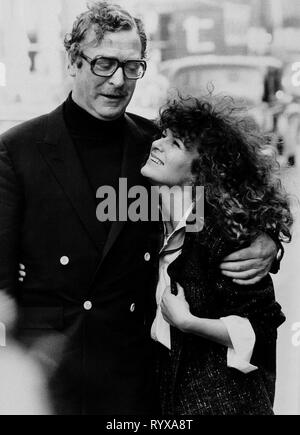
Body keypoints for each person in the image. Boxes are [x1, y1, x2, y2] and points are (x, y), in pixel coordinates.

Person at [0, 2, 280, 415]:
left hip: (138, 374)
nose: (118, 81)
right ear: (74, 63)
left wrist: (267, 242)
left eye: (132, 66)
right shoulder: (17, 150)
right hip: (52, 372)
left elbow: (221, 210)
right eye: (104, 64)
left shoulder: (157, 150)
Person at [141, 95, 293, 415]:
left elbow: (261, 330)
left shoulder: (224, 234)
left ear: (200, 172)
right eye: (163, 135)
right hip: (170, 396)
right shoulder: (148, 213)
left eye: (175, 143)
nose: (157, 144)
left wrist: (188, 322)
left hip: (223, 402)